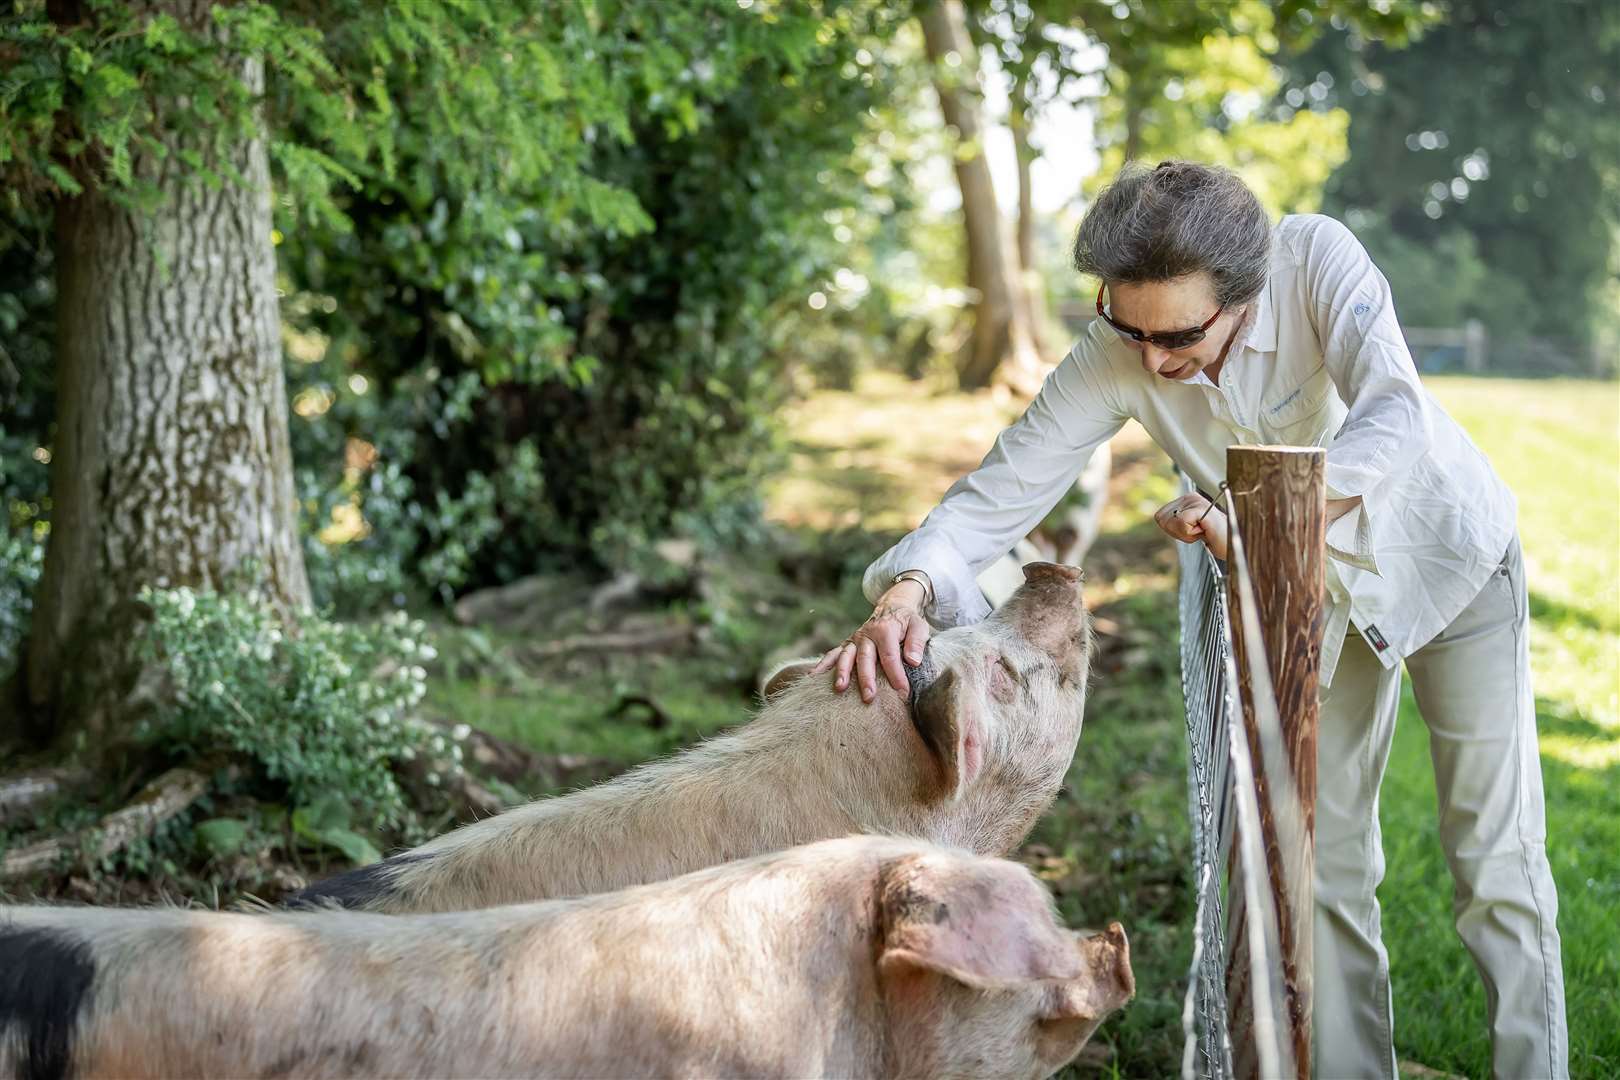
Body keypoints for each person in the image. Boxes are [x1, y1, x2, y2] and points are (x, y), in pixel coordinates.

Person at [810, 160, 1567, 1079]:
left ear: (1244, 291)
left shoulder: (1317, 258)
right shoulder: (1120, 349)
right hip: (1311, 605)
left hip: (1451, 561)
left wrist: (1253, 514)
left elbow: (1395, 410)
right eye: (1129, 327)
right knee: (1324, 868)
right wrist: (906, 593)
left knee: (1493, 861)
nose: (1154, 360)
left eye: (1180, 336)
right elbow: (994, 498)